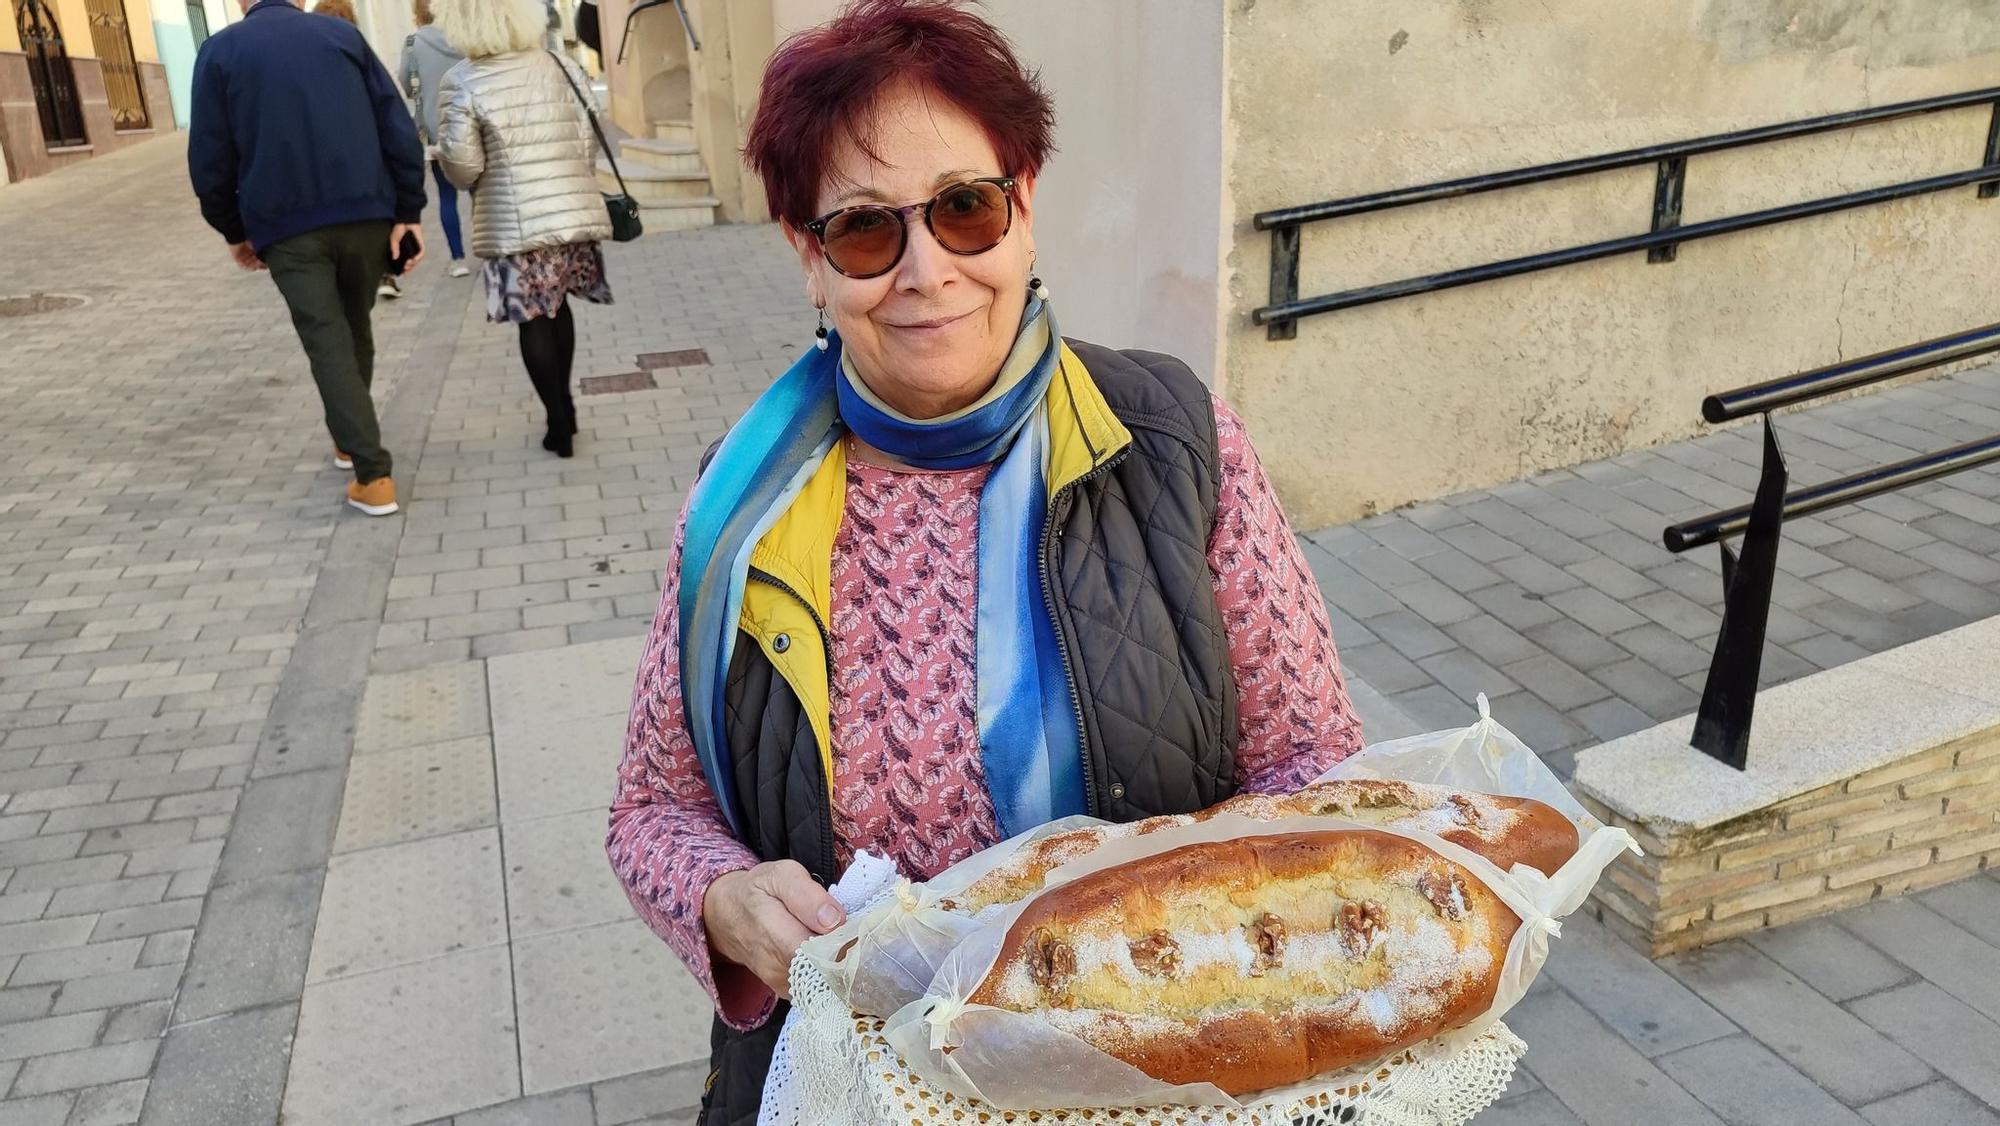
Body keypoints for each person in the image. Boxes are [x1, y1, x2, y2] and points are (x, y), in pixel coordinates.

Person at [604, 2, 1364, 1120]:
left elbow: (1315, 768)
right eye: (866, 230)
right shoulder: (739, 501)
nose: (924, 270)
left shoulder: (1172, 441)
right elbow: (648, 810)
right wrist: (720, 898)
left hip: (1156, 1079)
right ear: (808, 260)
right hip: (861, 1087)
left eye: (964, 207)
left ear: (1023, 211)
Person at [188, 0, 426, 516]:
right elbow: (395, 125)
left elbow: (209, 157)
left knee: (327, 339)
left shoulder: (220, 52)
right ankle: (351, 435)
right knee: (352, 328)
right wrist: (409, 208)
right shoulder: (340, 37)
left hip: (286, 226)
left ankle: (373, 475)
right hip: (365, 214)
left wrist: (234, 229)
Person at [433, 0, 612, 459]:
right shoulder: (560, 64)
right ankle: (567, 405)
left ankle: (556, 420)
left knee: (532, 318)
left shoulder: (462, 81)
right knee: (559, 307)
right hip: (569, 215)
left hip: (514, 226)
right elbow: (589, 138)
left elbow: (464, 167)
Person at [399, 0, 472, 278]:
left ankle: (458, 259)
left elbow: (407, 84)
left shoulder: (411, 44)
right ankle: (490, 250)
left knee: (446, 195)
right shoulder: (463, 37)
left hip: (435, 131)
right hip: (468, 127)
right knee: (480, 193)